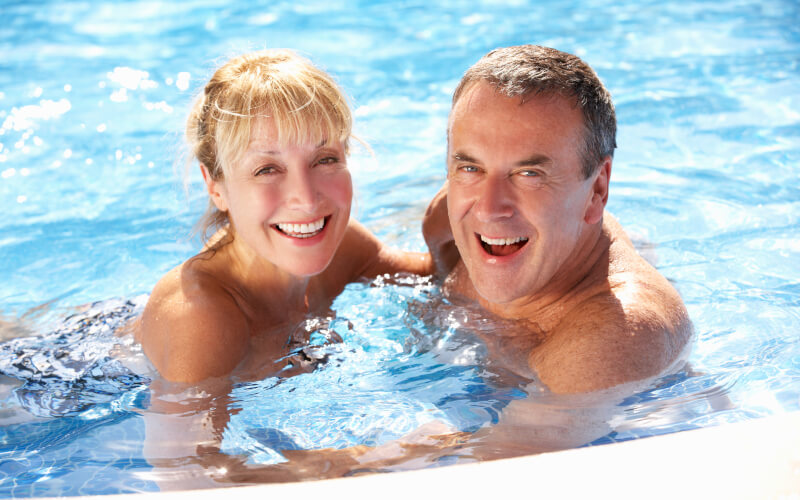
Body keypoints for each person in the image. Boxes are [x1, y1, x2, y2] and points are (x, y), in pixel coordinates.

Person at [133, 49, 432, 384]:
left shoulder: (343, 249)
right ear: (215, 186)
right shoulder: (202, 318)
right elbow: (181, 438)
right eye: (267, 169)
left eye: (325, 159)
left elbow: (446, 278)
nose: (306, 199)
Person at [423, 44, 692, 394]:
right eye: (471, 167)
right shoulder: (447, 217)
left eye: (529, 173)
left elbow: (488, 450)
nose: (488, 209)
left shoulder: (608, 341)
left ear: (597, 190)